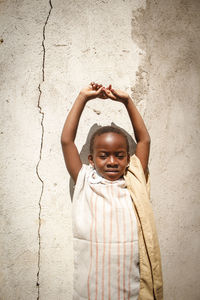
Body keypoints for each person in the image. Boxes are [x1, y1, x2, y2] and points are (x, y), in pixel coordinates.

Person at [61, 82, 163, 300]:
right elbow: (66, 141)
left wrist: (127, 101)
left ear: (128, 158)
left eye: (119, 155)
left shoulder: (133, 178)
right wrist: (83, 97)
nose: (112, 161)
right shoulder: (85, 179)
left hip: (129, 280)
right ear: (91, 159)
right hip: (92, 282)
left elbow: (144, 140)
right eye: (103, 155)